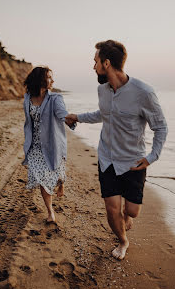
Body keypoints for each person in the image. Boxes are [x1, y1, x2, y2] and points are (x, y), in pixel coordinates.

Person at [66, 40, 168, 260]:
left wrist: (152, 157)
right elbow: (103, 114)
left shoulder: (144, 92)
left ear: (107, 63)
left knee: (131, 212)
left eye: (95, 62)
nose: (93, 67)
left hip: (133, 162)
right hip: (107, 159)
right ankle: (123, 242)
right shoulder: (102, 90)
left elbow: (160, 127)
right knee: (111, 210)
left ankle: (127, 215)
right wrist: (78, 118)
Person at [23, 66, 72, 223]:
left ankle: (60, 181)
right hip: (35, 146)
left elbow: (61, 112)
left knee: (56, 171)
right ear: (40, 79)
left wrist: (69, 118)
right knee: (42, 178)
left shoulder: (55, 98)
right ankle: (50, 212)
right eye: (49, 77)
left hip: (52, 143)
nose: (52, 80)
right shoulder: (27, 98)